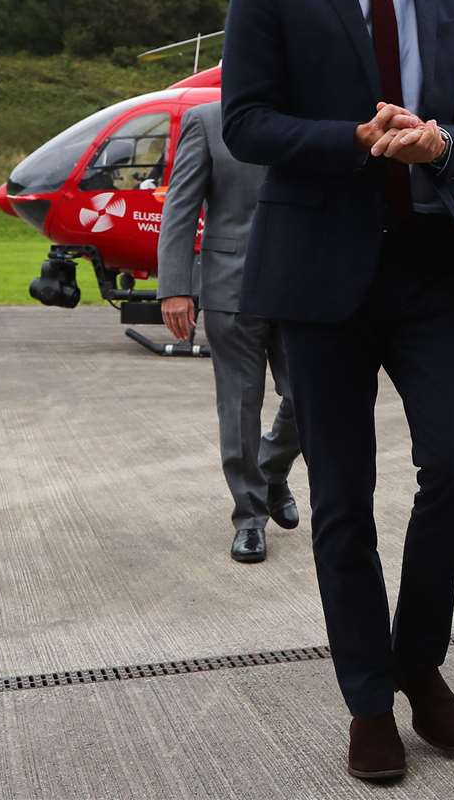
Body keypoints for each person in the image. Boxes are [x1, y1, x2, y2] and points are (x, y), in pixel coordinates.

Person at [220, 0, 454, 782]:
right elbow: (247, 122)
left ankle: (418, 655)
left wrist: (438, 142)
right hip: (320, 273)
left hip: (428, 266)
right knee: (343, 500)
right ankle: (369, 698)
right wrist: (351, 140)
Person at [156, 100, 302, 563]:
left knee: (309, 397)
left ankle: (271, 469)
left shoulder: (309, 113)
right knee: (239, 406)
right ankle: (250, 518)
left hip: (300, 287)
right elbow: (180, 206)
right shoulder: (207, 121)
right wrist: (176, 287)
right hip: (229, 285)